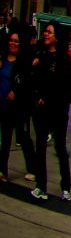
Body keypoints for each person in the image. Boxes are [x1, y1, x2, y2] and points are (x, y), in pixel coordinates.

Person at [26, 22, 71, 201]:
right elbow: (34, 80)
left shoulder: (64, 59)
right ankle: (41, 186)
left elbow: (64, 85)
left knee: (60, 148)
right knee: (40, 147)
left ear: (57, 36)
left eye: (49, 32)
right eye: (45, 31)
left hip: (57, 109)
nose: (45, 34)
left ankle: (66, 187)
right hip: (40, 108)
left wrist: (48, 96)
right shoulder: (41, 55)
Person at [1, 28, 34, 183]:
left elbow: (26, 81)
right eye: (11, 40)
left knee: (23, 137)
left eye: (16, 41)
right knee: (5, 139)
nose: (13, 43)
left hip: (17, 106)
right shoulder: (3, 59)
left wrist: (16, 91)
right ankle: (3, 171)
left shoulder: (22, 61)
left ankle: (32, 169)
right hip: (3, 104)